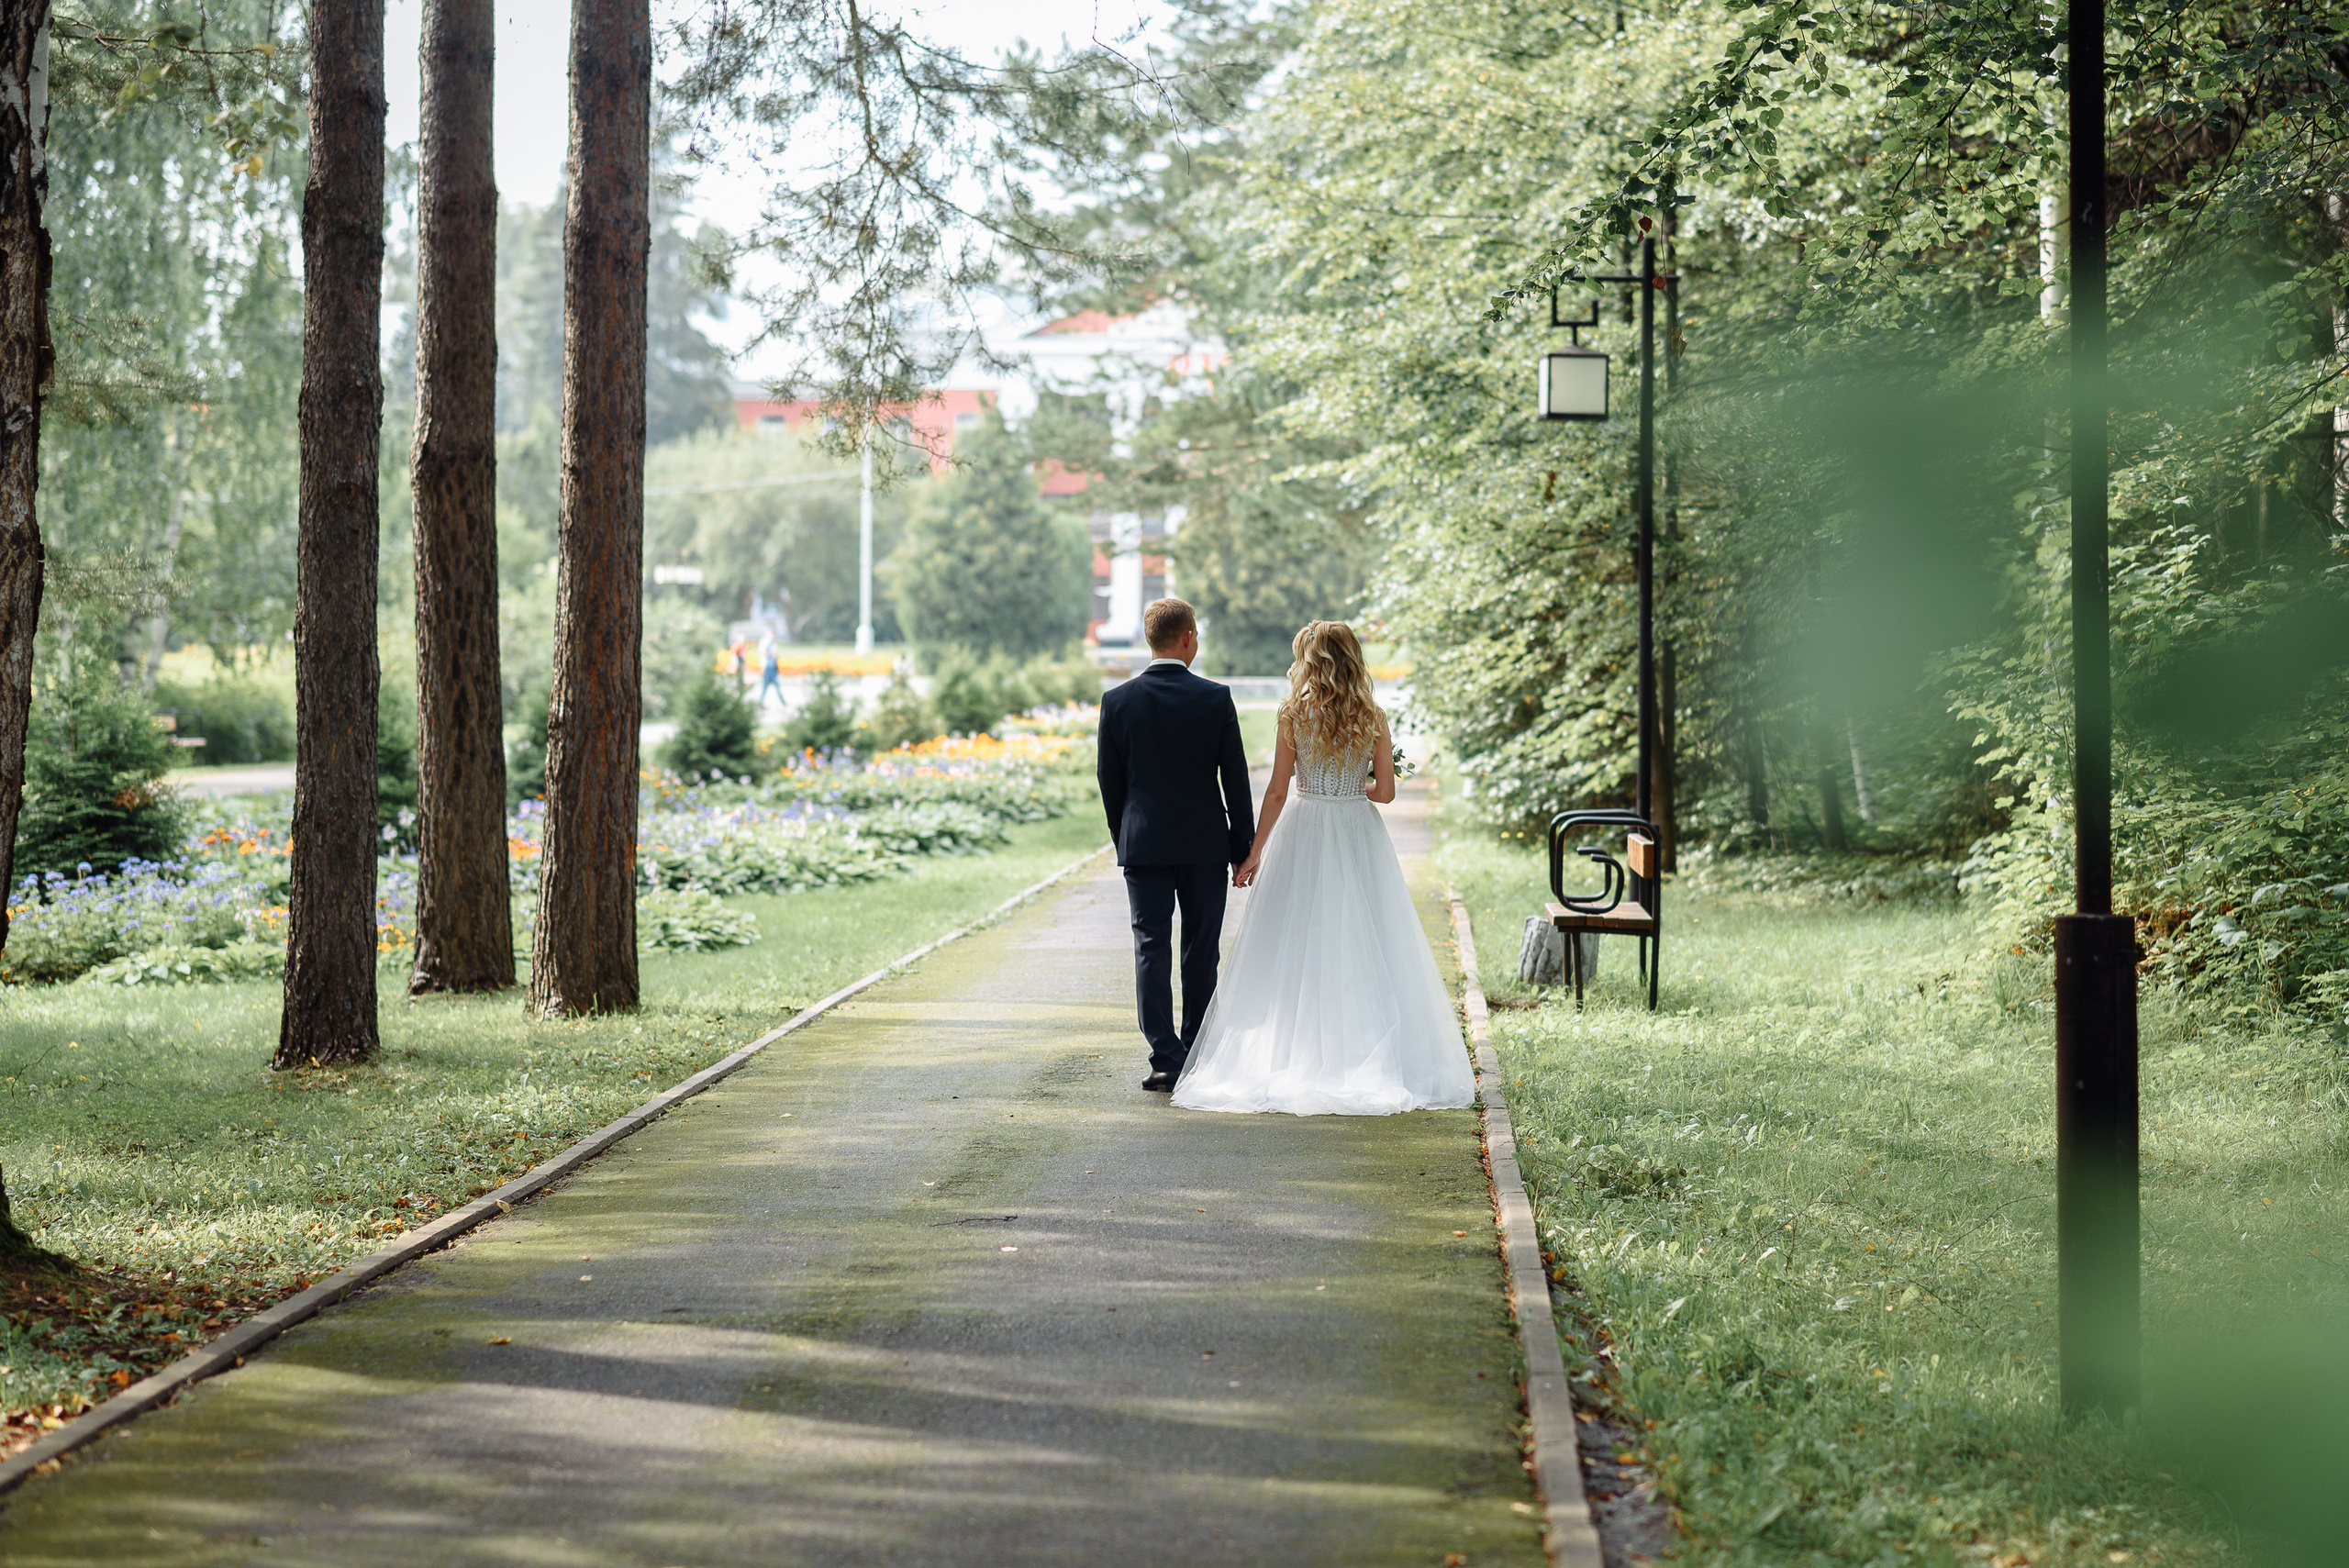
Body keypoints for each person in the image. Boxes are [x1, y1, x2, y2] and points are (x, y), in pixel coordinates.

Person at [1171, 619, 1475, 1116]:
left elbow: (1276, 789)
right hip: (1357, 830)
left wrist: (1254, 851)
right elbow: (1387, 791)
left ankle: (1297, 1052)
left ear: (1309, 661)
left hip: (1305, 827)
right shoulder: (1372, 714)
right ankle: (1361, 1049)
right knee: (1364, 938)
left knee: (1296, 942)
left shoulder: (1293, 713)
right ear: (1353, 657)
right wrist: (1358, 787)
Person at [1096, 598, 1256, 1093]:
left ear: (1151, 640)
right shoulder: (1215, 698)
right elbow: (1236, 779)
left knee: (1150, 947)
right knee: (1201, 950)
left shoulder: (1117, 701)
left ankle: (1165, 1059)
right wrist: (1242, 848)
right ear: (1187, 638)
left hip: (1144, 845)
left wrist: (1125, 836)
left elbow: (1110, 783)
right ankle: (1200, 1053)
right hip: (1205, 843)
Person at [757, 628, 785, 711]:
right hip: (768, 668)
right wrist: (771, 652)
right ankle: (760, 702)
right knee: (767, 686)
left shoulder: (772, 643)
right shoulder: (766, 643)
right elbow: (763, 654)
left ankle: (783, 701)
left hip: (772, 667)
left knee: (775, 686)